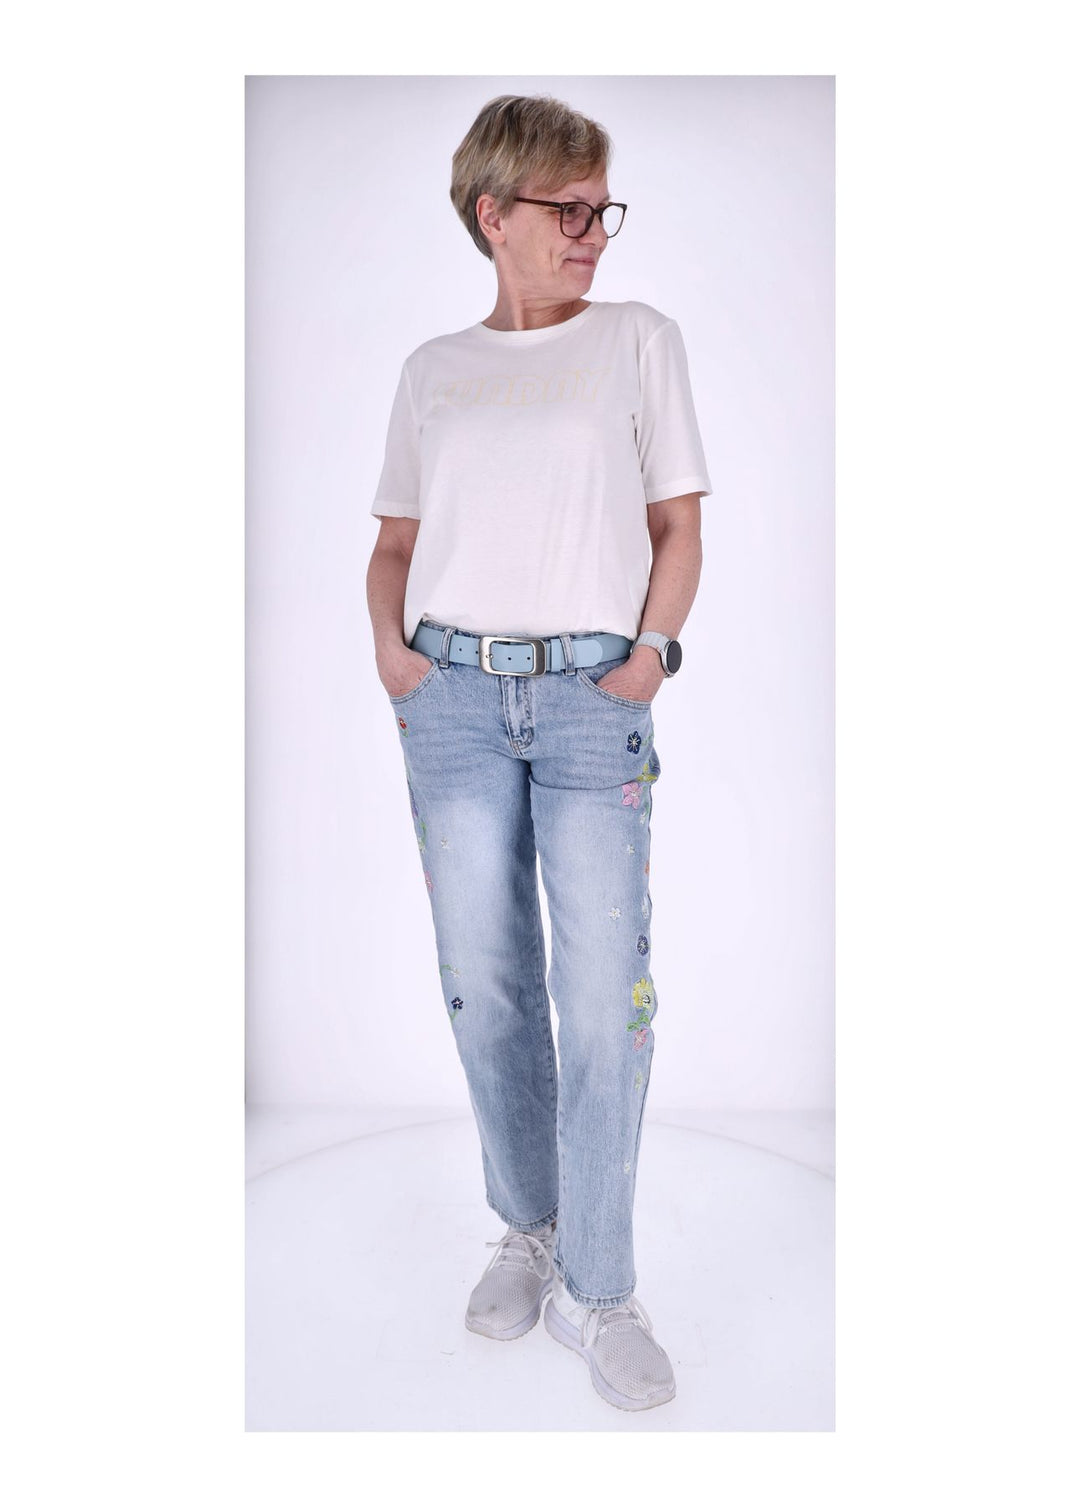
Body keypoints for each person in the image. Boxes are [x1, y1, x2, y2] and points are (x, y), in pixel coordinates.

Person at [366, 93, 711, 1413]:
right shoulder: (433, 370)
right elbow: (395, 543)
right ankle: (531, 1227)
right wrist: (392, 655)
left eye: (602, 207)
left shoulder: (637, 341)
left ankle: (601, 1288)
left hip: (588, 700)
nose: (593, 232)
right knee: (490, 984)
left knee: (607, 994)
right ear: (491, 213)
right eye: (567, 209)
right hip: (450, 699)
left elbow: (677, 528)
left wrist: (652, 654)